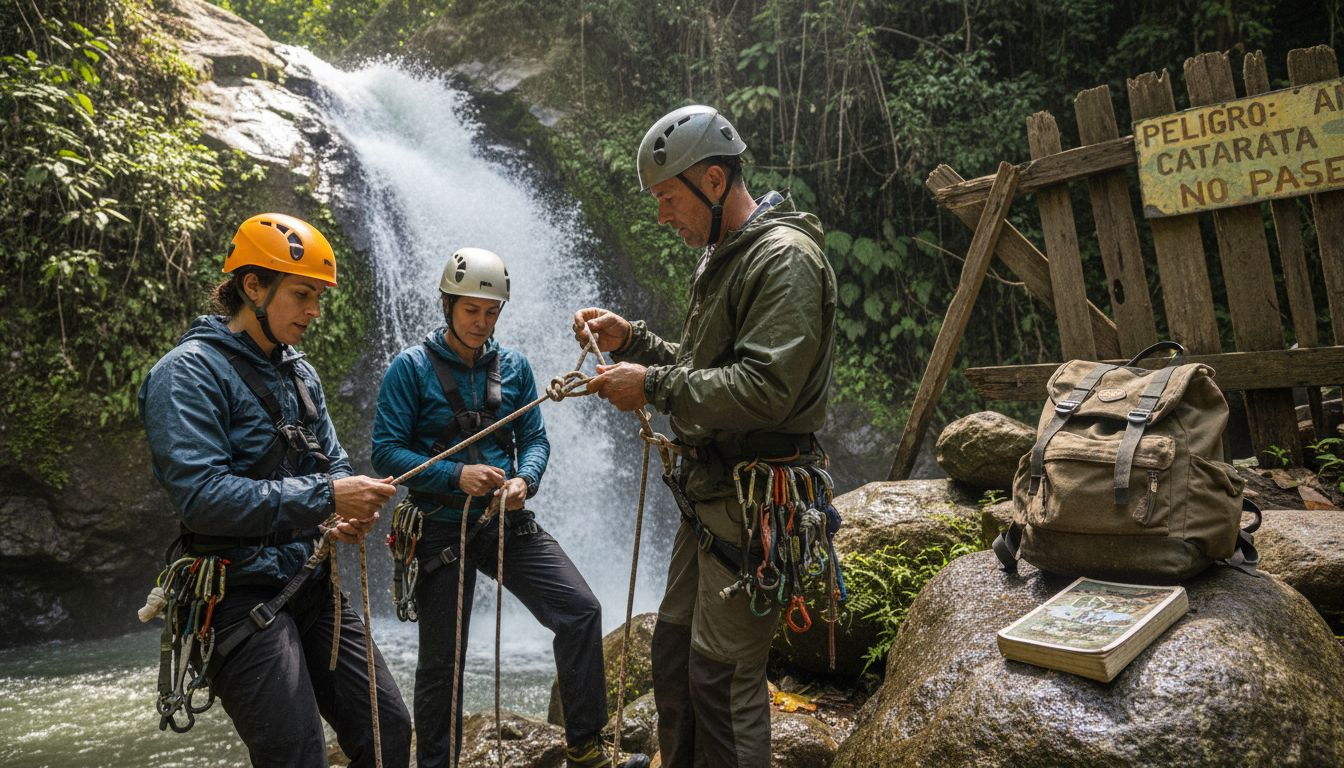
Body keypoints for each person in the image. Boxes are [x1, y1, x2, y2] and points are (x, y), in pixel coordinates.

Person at [573, 105, 837, 768]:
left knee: (723, 684)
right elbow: (706, 368)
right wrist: (633, 342)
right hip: (713, 495)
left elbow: (765, 389)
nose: (663, 216)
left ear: (714, 182)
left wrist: (652, 386)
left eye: (667, 198)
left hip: (754, 503)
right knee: (674, 659)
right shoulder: (728, 256)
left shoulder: (784, 260)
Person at [138, 212, 412, 767]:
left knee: (388, 730)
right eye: (303, 294)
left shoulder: (300, 374)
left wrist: (344, 510)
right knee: (294, 752)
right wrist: (329, 500)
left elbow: (332, 465)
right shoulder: (186, 374)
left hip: (311, 582)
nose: (314, 311)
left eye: (318, 297)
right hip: (235, 594)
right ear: (253, 286)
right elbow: (203, 498)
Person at [370, 247, 649, 768]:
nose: (481, 321)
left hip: (502, 519)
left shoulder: (515, 366)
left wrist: (526, 479)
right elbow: (386, 452)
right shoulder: (410, 368)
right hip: (438, 525)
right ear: (448, 305)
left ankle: (586, 748)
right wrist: (457, 474)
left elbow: (535, 438)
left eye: (491, 311)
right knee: (442, 663)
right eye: (471, 309)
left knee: (580, 611)